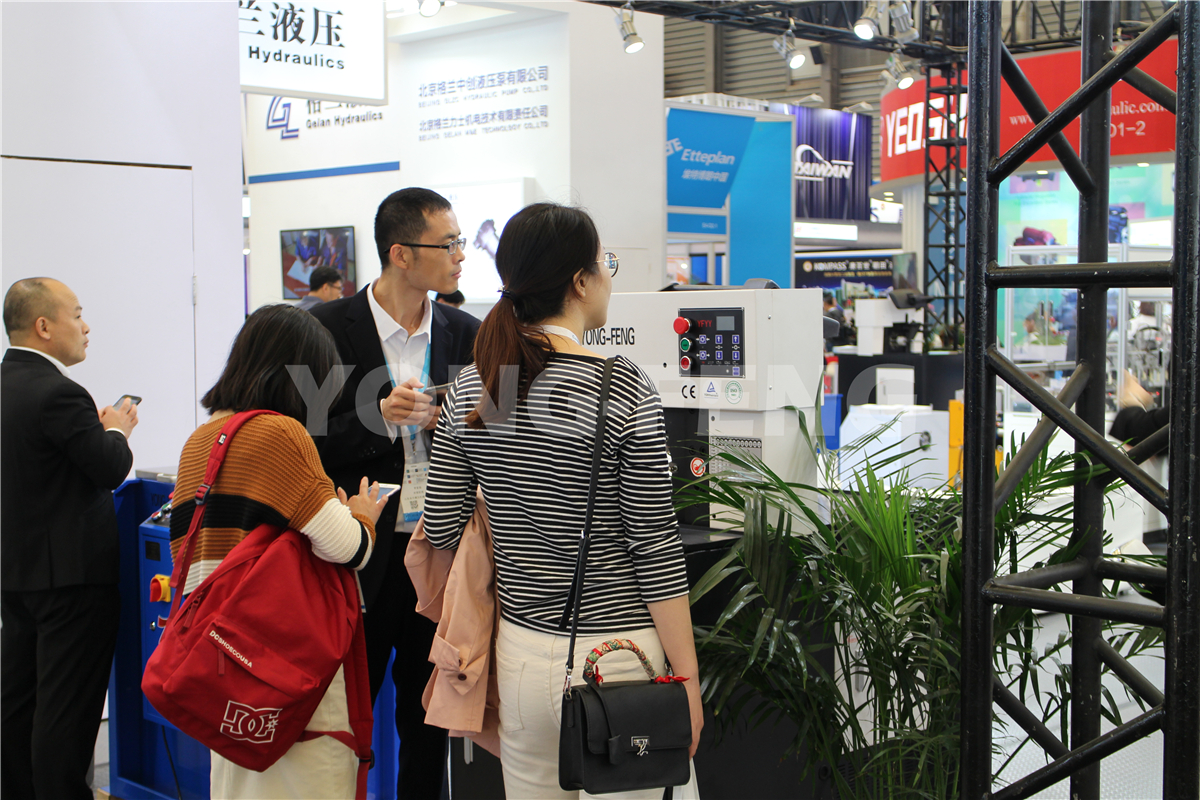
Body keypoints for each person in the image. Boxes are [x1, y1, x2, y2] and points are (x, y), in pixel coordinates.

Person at [422, 202, 703, 799]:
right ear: (580, 281)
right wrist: (687, 678)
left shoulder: (474, 386)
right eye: (603, 265)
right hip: (620, 660)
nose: (607, 278)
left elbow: (441, 528)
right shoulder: (621, 385)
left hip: (520, 656)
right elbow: (654, 547)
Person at [170, 304, 389, 799]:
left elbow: (184, 550)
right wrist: (362, 516)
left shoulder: (199, 441)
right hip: (279, 656)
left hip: (216, 657)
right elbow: (348, 547)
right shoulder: (281, 433)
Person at [310, 187, 481, 799]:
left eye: (461, 241)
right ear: (401, 254)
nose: (461, 255)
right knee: (341, 720)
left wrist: (458, 420)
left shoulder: (469, 333)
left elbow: (502, 434)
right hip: (356, 557)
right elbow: (306, 440)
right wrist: (378, 417)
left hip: (440, 557)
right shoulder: (324, 329)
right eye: (448, 243)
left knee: (428, 722)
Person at [1, 278, 139, 799]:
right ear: (43, 326)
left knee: (19, 704)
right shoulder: (59, 392)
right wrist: (117, 429)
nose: (86, 327)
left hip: (16, 575)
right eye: (77, 315)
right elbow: (109, 468)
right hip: (72, 583)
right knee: (66, 713)